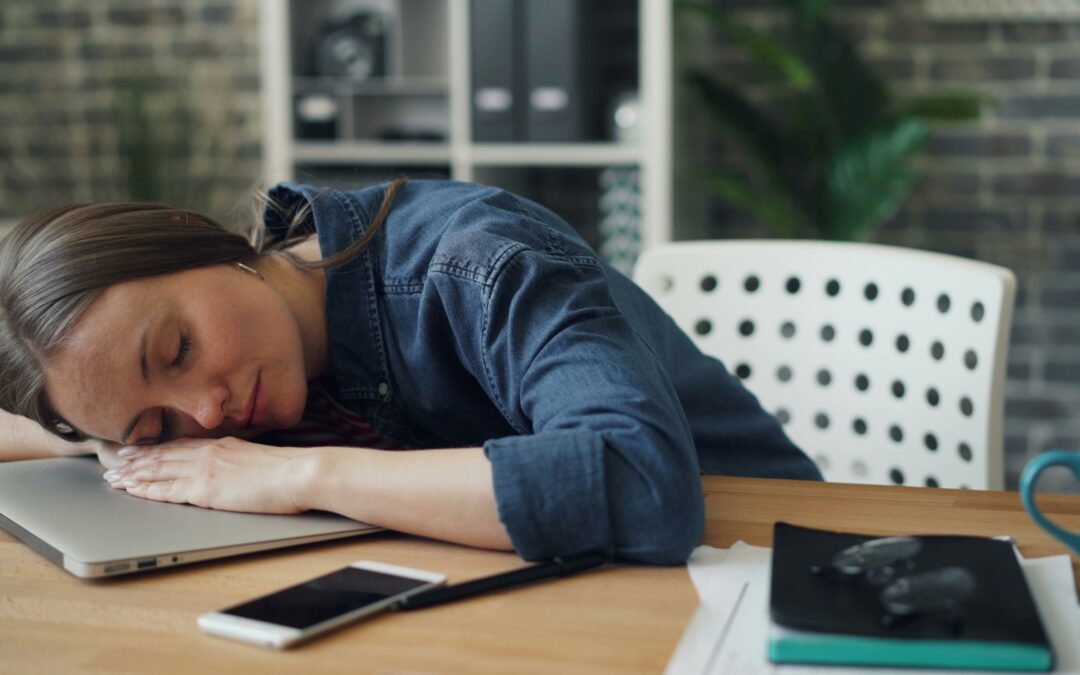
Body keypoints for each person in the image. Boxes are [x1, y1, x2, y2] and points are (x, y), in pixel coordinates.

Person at [0, 178, 822, 565]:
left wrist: (298, 473)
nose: (208, 414)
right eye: (159, 426)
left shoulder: (476, 261)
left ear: (195, 234)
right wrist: (126, 450)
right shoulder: (216, 381)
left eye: (176, 351)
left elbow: (640, 481)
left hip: (762, 568)